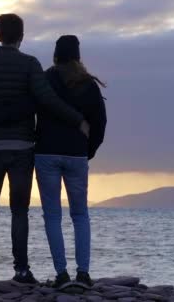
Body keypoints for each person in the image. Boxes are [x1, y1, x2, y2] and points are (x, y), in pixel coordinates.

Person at [0, 15, 89, 283]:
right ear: (21, 36)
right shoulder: (29, 65)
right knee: (19, 210)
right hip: (22, 148)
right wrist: (77, 119)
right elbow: (47, 99)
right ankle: (21, 270)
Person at [34, 35, 107, 289]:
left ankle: (62, 274)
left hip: (46, 153)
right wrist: (89, 151)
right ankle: (83, 274)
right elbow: (100, 123)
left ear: (55, 55)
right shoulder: (88, 84)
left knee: (52, 216)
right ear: (77, 56)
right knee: (80, 215)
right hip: (77, 154)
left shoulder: (43, 80)